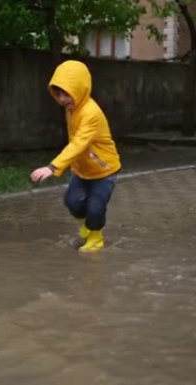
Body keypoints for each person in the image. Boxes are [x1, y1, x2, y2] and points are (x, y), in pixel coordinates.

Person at [30, 60, 121, 252]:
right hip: (82, 169)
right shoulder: (72, 108)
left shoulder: (91, 113)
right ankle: (86, 228)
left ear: (80, 88)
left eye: (67, 93)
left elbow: (79, 143)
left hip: (103, 170)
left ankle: (96, 239)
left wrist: (52, 167)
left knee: (95, 209)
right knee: (72, 202)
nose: (63, 99)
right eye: (58, 93)